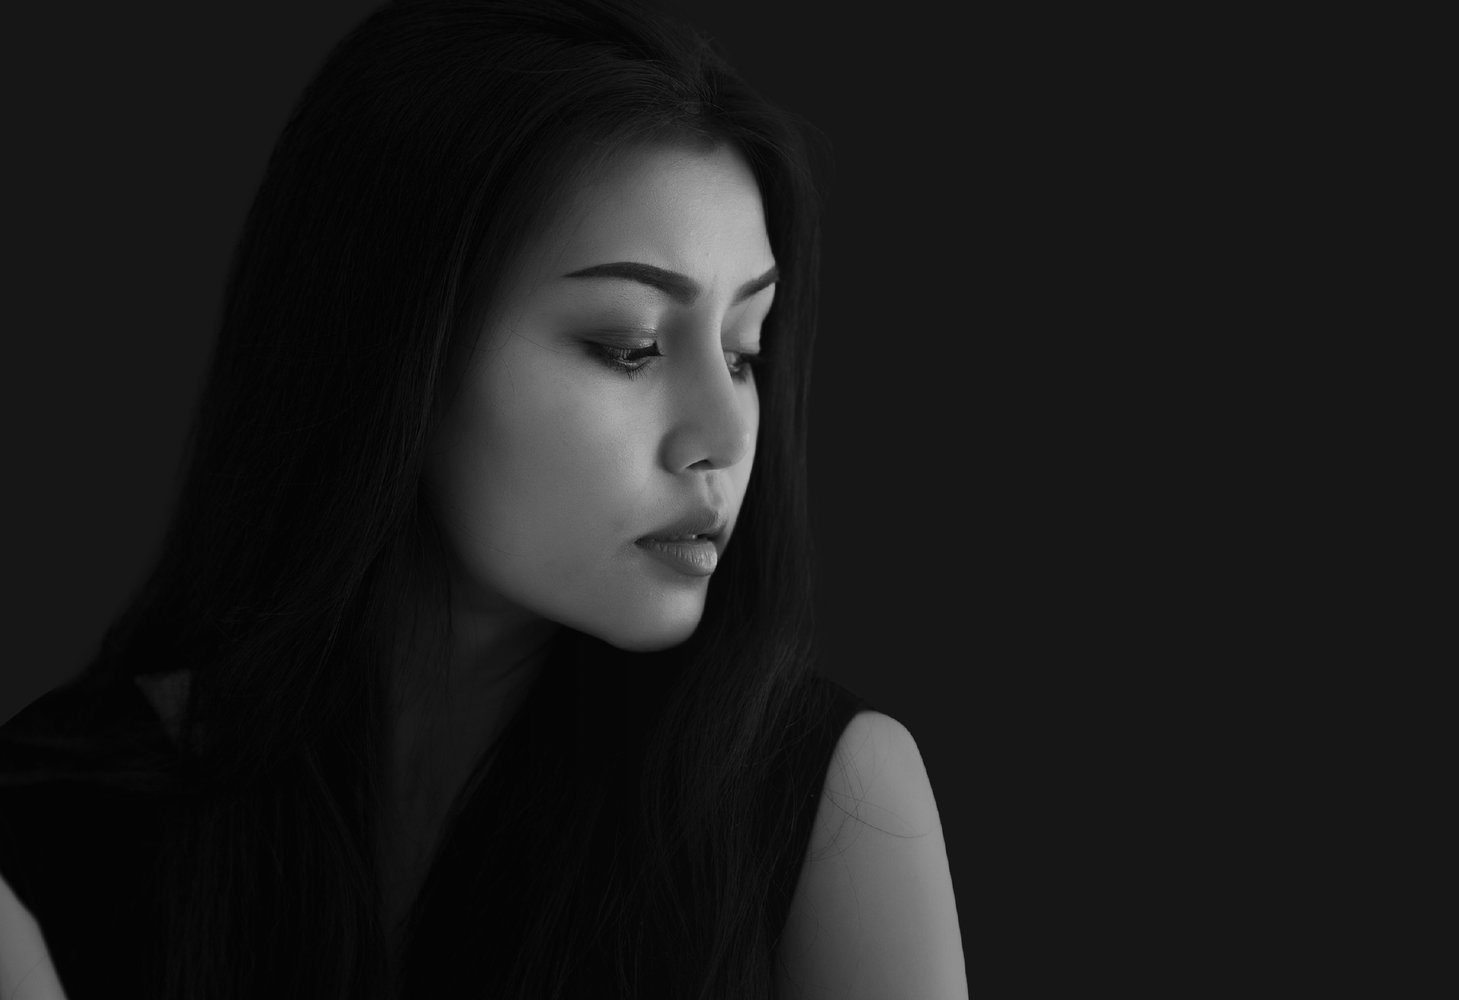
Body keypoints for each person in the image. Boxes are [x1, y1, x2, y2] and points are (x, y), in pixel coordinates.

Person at [0, 1, 968, 997]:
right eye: (628, 346)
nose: (723, 437)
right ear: (389, 350)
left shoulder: (827, 803)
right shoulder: (60, 813)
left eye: (743, 351)